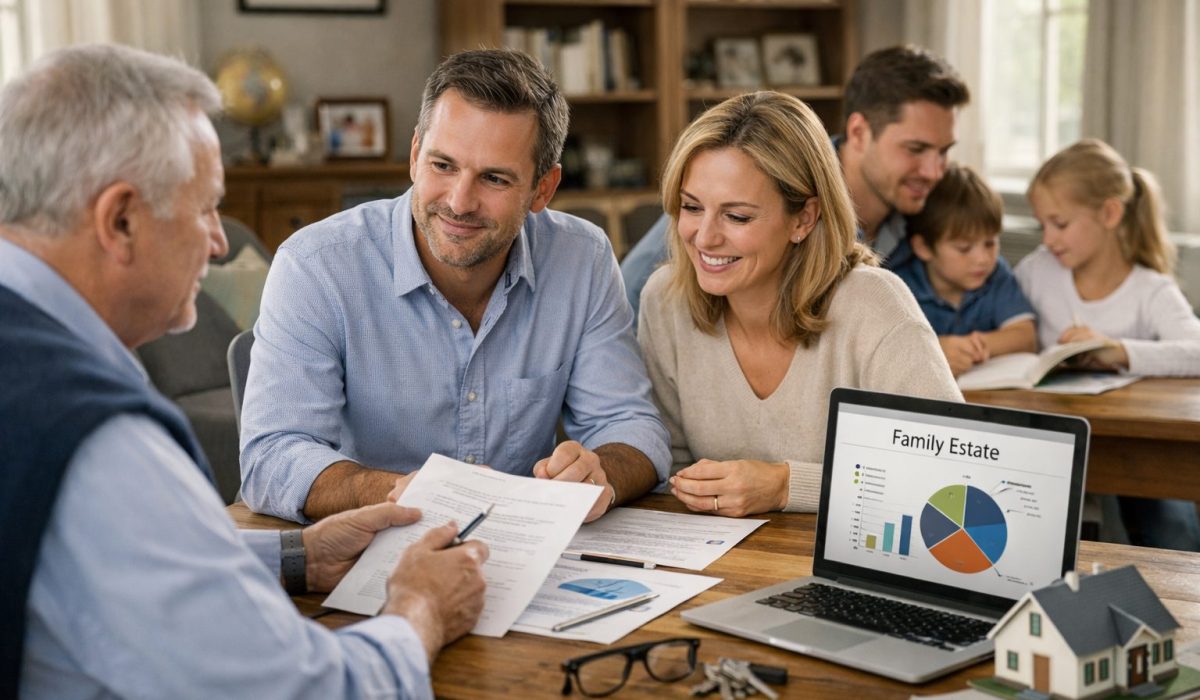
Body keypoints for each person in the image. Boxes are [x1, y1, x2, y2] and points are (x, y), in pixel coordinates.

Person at [0, 44, 487, 698]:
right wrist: (421, 608)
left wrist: (298, 556)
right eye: (205, 207)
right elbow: (304, 691)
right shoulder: (98, 443)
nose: (220, 241)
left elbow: (110, 557)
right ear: (120, 220)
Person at [240, 49, 669, 525]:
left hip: (526, 547)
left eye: (494, 178)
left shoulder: (581, 258)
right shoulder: (316, 266)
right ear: (414, 155)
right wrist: (398, 493)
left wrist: (600, 473)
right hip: (369, 545)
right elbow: (272, 456)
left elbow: (631, 426)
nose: (460, 203)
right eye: (443, 165)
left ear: (543, 189)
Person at [638, 91, 961, 518]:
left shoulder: (875, 305)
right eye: (691, 207)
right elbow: (669, 470)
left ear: (804, 219)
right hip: (720, 553)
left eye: (737, 216)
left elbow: (953, 476)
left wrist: (788, 486)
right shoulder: (666, 299)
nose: (704, 237)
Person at [621, 44, 970, 320]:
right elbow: (630, 306)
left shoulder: (930, 201)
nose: (934, 171)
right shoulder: (752, 176)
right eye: (915, 149)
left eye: (944, 152)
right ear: (859, 132)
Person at [1017, 138, 1200, 551]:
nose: (1048, 239)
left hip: (1138, 445)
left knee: (1171, 528)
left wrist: (1118, 350)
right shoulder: (1037, 272)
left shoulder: (1150, 289)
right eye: (1042, 225)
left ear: (1110, 213)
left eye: (1060, 224)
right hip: (1054, 441)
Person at [892, 163, 1036, 376]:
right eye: (964, 248)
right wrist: (936, 348)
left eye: (990, 243)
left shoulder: (996, 274)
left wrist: (974, 346)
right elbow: (887, 350)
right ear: (924, 248)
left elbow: (1026, 337)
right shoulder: (899, 285)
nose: (983, 259)